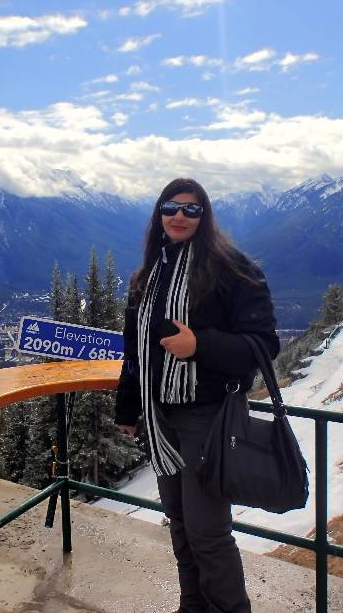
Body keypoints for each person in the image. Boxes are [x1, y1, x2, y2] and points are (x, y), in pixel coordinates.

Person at [115, 178, 279, 613]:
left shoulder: (233, 271)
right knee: (181, 523)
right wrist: (129, 408)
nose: (179, 216)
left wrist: (199, 346)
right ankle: (193, 607)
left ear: (205, 218)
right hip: (160, 419)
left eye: (191, 209)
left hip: (209, 417)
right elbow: (135, 353)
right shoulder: (147, 276)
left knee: (207, 531)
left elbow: (263, 346)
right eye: (171, 207)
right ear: (159, 214)